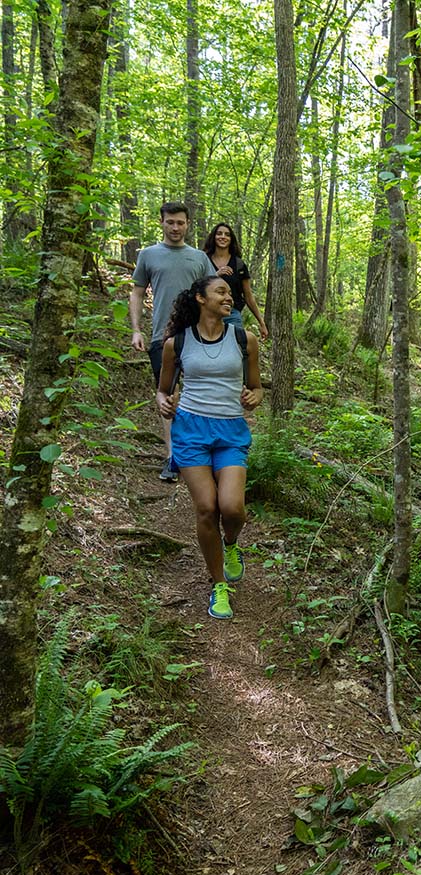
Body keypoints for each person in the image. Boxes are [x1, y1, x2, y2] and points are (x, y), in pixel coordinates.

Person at [156, 276, 264, 620]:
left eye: (230, 293)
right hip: (190, 430)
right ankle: (219, 585)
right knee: (206, 508)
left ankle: (230, 545)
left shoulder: (244, 339)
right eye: (221, 291)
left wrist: (253, 398)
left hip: (231, 430)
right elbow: (163, 388)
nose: (228, 297)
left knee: (232, 509)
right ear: (201, 298)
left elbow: (257, 387)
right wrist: (164, 402)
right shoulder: (178, 342)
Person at [130, 202, 217, 482]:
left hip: (198, 337)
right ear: (162, 223)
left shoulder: (200, 259)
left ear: (188, 224)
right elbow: (137, 293)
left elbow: (213, 296)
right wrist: (135, 329)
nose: (176, 228)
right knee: (166, 395)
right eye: (170, 222)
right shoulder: (148, 255)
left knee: (199, 393)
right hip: (161, 337)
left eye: (180, 222)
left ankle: (202, 454)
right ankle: (171, 458)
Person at [201, 222, 269, 341]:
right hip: (207, 314)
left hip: (231, 314)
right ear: (213, 237)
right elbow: (197, 287)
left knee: (237, 349)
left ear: (231, 239)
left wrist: (261, 322)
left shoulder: (239, 264)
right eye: (219, 234)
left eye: (227, 235)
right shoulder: (203, 260)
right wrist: (215, 275)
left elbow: (248, 295)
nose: (223, 237)